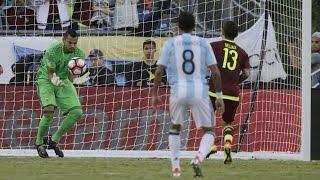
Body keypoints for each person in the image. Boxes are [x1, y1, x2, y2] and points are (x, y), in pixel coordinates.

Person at [151, 12, 224, 177]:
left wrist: (154, 93)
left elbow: (159, 70)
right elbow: (216, 72)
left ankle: (176, 167)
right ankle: (198, 158)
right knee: (209, 131)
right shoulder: (204, 43)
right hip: (199, 90)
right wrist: (219, 96)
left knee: (176, 127)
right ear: (194, 26)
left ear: (178, 26)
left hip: (178, 90)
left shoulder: (171, 43)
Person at [35, 29, 90, 158]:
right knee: (49, 111)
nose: (72, 46)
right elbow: (50, 73)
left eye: (75, 43)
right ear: (63, 40)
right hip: (46, 79)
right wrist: (55, 80)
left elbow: (71, 78)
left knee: (77, 112)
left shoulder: (79, 54)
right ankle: (38, 143)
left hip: (64, 80)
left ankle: (53, 140)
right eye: (70, 42)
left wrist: (76, 77)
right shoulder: (52, 50)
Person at [205, 21, 251, 164]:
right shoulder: (242, 52)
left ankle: (211, 146)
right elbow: (248, 73)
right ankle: (227, 147)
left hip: (214, 90)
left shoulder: (214, 46)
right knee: (228, 122)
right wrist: (236, 80)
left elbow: (206, 65)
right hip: (232, 92)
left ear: (222, 32)